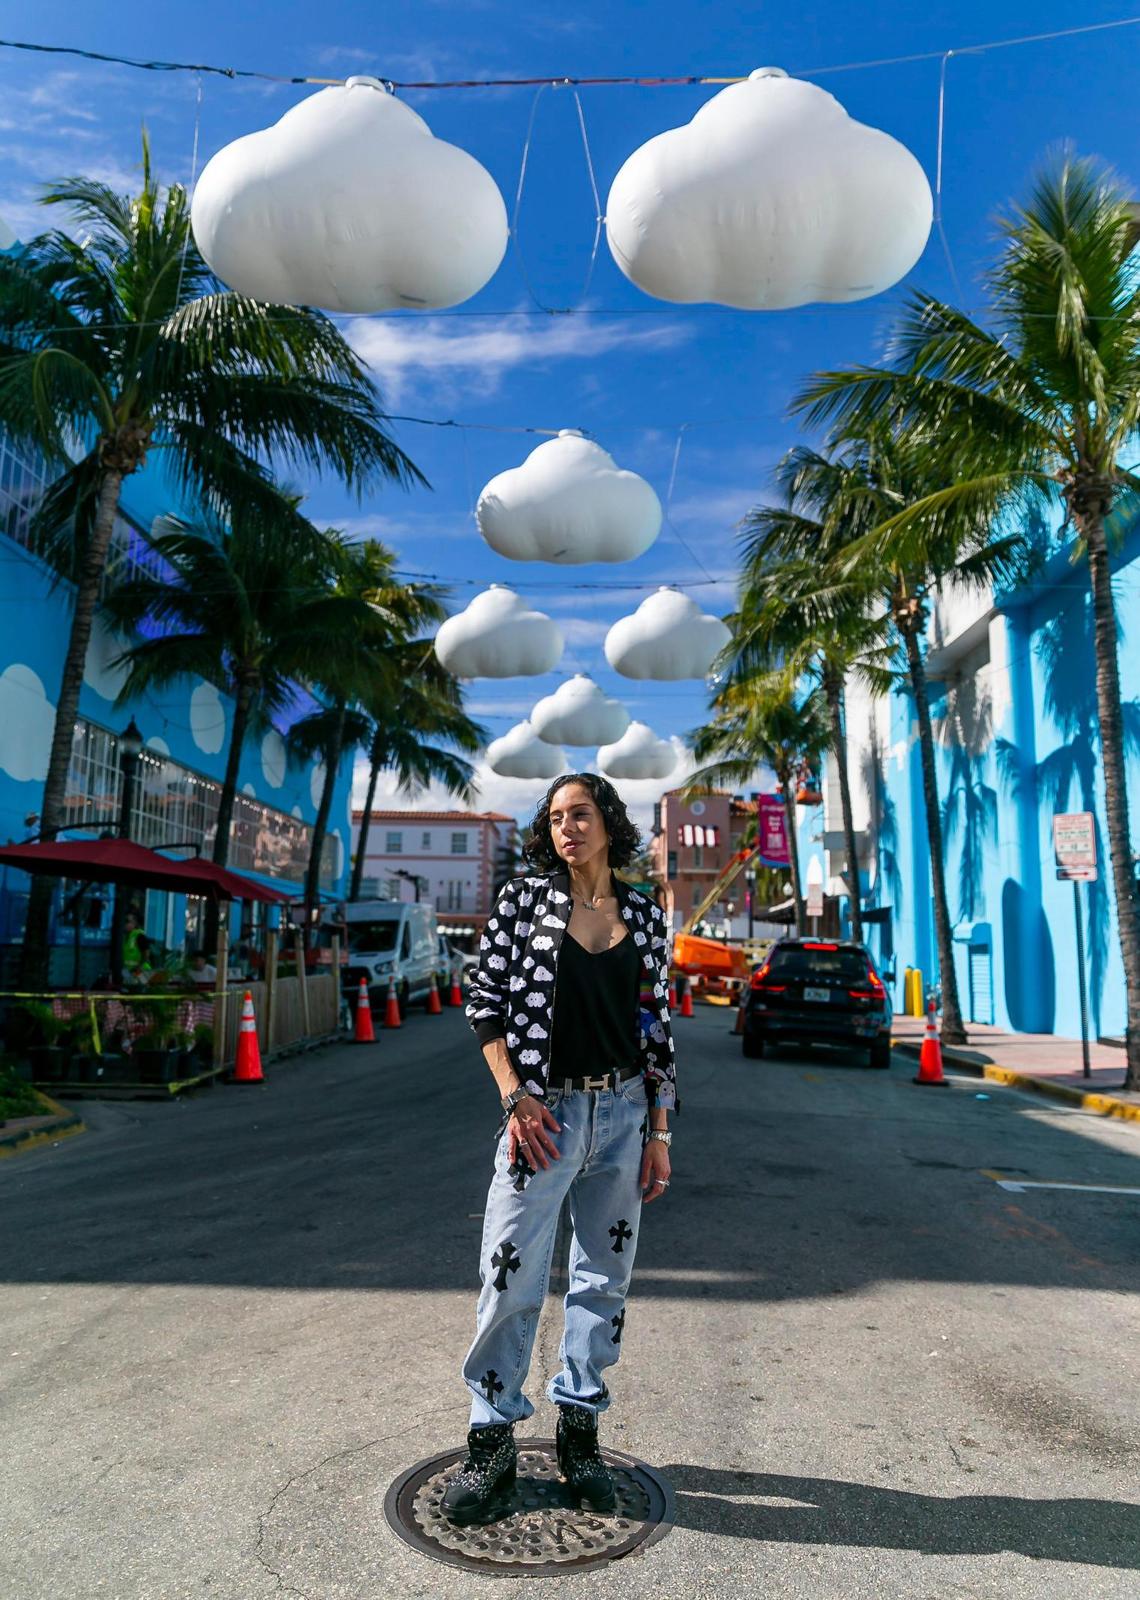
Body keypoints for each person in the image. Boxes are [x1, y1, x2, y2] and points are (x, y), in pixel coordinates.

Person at [444, 773, 677, 1525]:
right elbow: (481, 999)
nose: (566, 828)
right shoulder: (523, 902)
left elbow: (657, 1030)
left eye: (580, 813)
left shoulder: (644, 914)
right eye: (553, 818)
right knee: (509, 1274)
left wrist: (661, 1131)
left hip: (624, 1114)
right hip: (544, 1117)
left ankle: (580, 1433)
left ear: (609, 821)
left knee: (601, 1280)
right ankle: (491, 1440)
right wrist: (516, 1094)